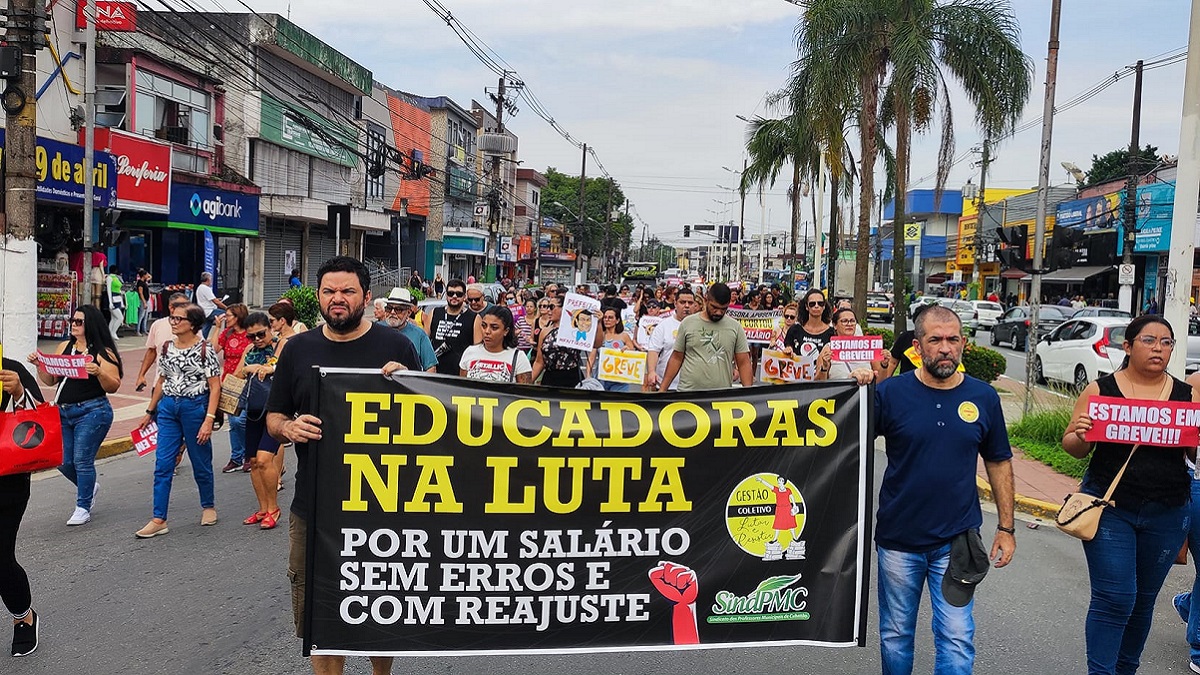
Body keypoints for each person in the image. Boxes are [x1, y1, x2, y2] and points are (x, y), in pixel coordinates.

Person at [265, 256, 420, 675]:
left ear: (367, 298)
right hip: (314, 508)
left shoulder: (397, 347)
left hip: (382, 507)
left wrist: (409, 385)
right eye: (329, 291)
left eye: (347, 291)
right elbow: (274, 416)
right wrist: (290, 428)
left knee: (378, 612)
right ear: (318, 296)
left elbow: (431, 422)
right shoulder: (297, 349)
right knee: (320, 615)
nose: (338, 299)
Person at [874, 305, 1015, 675]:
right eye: (935, 340)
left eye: (953, 339)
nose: (945, 348)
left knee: (956, 636)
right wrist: (856, 388)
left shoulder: (983, 398)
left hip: (957, 541)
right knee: (894, 635)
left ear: (964, 344)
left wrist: (1006, 527)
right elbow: (844, 441)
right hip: (898, 540)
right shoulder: (889, 394)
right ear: (917, 348)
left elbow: (999, 461)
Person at [1064, 314, 1195, 675]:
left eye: (1166, 342)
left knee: (1142, 602)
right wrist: (1081, 433)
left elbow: (1191, 454)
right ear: (1128, 346)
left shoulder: (1186, 396)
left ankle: (1126, 669)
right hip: (1110, 509)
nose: (1159, 349)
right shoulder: (1100, 390)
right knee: (1115, 597)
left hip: (1168, 513)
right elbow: (1074, 447)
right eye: (1149, 341)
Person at [26, 305, 122, 526]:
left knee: (82, 459)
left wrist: (99, 371)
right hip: (63, 411)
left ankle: (83, 506)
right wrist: (41, 365)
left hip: (92, 411)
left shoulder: (102, 352)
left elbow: (114, 385)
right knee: (62, 460)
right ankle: (88, 486)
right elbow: (51, 380)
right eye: (73, 321)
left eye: (79, 322)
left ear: (90, 324)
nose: (74, 325)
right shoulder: (65, 347)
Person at [133, 303, 223, 539]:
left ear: (192, 324)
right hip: (168, 409)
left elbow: (215, 387)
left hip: (195, 408)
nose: (173, 322)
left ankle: (208, 506)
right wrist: (149, 411)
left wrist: (208, 419)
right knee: (163, 464)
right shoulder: (165, 348)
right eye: (172, 318)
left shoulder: (205, 349)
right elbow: (161, 381)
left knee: (200, 460)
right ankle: (159, 518)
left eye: (178, 319)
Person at [1, 352, 44, 657]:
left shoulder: (11, 370)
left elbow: (39, 421)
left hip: (7, 483)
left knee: (1, 559)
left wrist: (18, 392)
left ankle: (23, 616)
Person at [235, 312, 286, 530]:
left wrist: (270, 368)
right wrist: (251, 368)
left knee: (265, 459)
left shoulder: (281, 345)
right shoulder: (249, 350)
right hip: (254, 409)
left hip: (276, 409)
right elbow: (237, 374)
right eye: (251, 336)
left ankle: (274, 507)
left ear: (270, 328)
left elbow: (284, 369)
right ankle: (263, 508)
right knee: (254, 462)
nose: (256, 339)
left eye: (260, 334)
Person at [659, 282, 753, 392]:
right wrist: (662, 391)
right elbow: (676, 358)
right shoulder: (688, 323)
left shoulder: (735, 328)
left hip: (720, 398)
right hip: (688, 395)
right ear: (706, 299)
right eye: (714, 307)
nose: (718, 312)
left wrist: (749, 396)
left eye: (723, 309)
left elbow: (743, 363)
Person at [213, 304, 251, 471]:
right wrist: (217, 328)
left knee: (239, 420)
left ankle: (248, 453)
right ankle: (237, 457)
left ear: (238, 317)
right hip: (229, 383)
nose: (226, 318)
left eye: (228, 315)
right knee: (233, 422)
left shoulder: (250, 335)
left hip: (246, 382)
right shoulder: (227, 334)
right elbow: (213, 349)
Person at [460, 305, 533, 383]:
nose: (487, 331)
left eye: (494, 327)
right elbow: (462, 388)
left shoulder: (519, 358)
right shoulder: (470, 352)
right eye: (484, 326)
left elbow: (524, 392)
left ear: (506, 331)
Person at [134, 293, 190, 392]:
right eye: (182, 306)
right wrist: (141, 375)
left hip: (187, 387)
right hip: (161, 385)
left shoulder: (193, 327)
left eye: (187, 305)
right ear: (171, 308)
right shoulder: (158, 325)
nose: (187, 309)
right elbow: (152, 351)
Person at [814, 307, 886, 384]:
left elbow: (881, 381)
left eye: (852, 321)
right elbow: (818, 384)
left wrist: (884, 365)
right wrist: (824, 368)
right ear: (835, 325)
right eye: (844, 321)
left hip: (864, 394)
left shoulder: (868, 347)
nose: (849, 324)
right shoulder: (828, 349)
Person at [425, 279, 481, 375]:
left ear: (464, 297)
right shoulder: (434, 313)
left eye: (459, 294)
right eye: (451, 293)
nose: (454, 296)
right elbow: (424, 342)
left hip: (459, 375)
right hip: (434, 373)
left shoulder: (474, 318)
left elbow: (478, 350)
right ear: (446, 295)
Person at [645, 287, 696, 392]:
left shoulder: (700, 326)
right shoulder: (663, 326)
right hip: (666, 386)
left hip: (692, 387)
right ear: (675, 303)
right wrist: (651, 371)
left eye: (690, 303)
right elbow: (654, 351)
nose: (686, 306)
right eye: (682, 302)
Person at [530, 296, 585, 388]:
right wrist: (526, 383)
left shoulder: (575, 330)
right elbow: (539, 362)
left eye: (551, 307)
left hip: (572, 380)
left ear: (563, 309)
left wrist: (598, 323)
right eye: (547, 307)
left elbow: (596, 344)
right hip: (550, 379)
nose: (548, 311)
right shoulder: (545, 331)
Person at [783, 289, 836, 381]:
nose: (816, 306)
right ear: (806, 307)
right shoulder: (795, 329)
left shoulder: (832, 333)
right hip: (795, 381)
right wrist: (788, 350)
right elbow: (788, 348)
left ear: (824, 307)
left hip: (821, 382)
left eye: (820, 303)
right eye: (812, 304)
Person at [381, 287, 437, 372]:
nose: (392, 312)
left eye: (398, 309)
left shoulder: (419, 335)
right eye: (389, 308)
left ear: (408, 313)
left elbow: (431, 368)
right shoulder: (377, 330)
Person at [588, 306, 639, 392]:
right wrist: (588, 376)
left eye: (610, 317)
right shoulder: (599, 336)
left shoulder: (624, 336)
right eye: (605, 317)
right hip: (602, 379)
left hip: (620, 380)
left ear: (617, 320)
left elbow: (634, 356)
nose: (607, 320)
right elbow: (591, 358)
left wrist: (628, 350)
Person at [195, 272, 226, 339]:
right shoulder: (205, 288)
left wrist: (217, 300)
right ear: (208, 280)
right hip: (209, 311)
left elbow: (210, 299)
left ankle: (201, 340)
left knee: (206, 327)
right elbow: (216, 302)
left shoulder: (200, 288)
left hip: (204, 311)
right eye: (211, 279)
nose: (211, 281)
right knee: (227, 314)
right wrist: (227, 308)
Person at [103, 265, 125, 342]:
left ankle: (109, 334)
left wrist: (122, 302)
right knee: (120, 318)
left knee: (113, 318)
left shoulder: (117, 278)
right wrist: (110, 302)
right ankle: (113, 332)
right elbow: (109, 290)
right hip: (112, 298)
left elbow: (119, 290)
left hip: (118, 298)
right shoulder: (109, 278)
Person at [135, 269, 151, 336]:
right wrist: (144, 302)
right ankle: (138, 330)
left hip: (146, 300)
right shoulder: (140, 283)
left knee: (145, 316)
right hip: (143, 300)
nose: (147, 275)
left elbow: (150, 276)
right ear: (143, 275)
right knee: (141, 316)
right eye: (146, 274)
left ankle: (144, 329)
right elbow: (141, 293)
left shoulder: (144, 281)